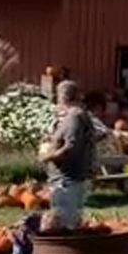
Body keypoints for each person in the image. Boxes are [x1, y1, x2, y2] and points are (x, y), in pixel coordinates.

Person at [41, 80, 95, 229]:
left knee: (65, 223)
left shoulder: (74, 117)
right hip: (74, 177)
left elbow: (70, 148)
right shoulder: (79, 115)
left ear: (62, 97)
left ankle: (65, 252)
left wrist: (48, 157)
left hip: (67, 179)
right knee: (71, 221)